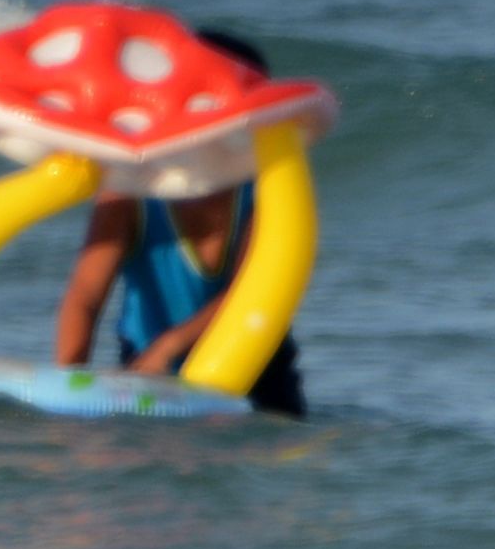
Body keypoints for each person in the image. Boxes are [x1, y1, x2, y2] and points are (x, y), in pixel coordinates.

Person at [50, 26, 307, 416]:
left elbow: (247, 289)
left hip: (256, 367)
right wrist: (67, 386)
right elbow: (85, 295)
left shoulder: (265, 192)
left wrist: (169, 347)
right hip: (147, 366)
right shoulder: (131, 192)